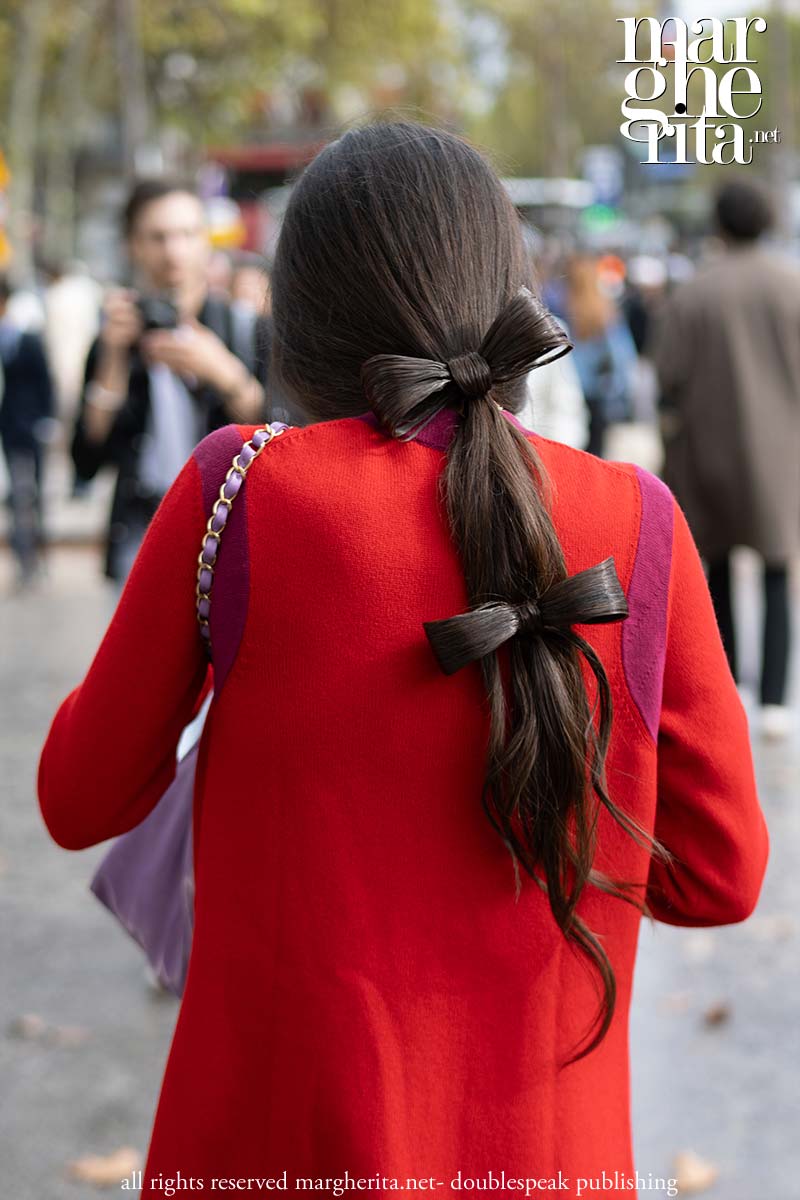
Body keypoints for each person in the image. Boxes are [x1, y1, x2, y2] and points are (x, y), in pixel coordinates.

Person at [38, 123, 768, 1197]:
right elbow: (717, 877)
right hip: (544, 1163)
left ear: (303, 314)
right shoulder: (635, 522)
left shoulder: (238, 494)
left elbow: (78, 796)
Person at [70, 179, 298, 584]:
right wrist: (112, 359)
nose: (173, 251)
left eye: (187, 234)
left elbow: (286, 441)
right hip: (143, 528)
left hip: (230, 525)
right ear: (132, 245)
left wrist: (224, 373)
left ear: (206, 241)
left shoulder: (247, 330)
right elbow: (87, 457)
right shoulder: (116, 337)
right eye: (157, 237)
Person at [652, 179, 800, 741]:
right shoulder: (792, 286)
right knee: (778, 568)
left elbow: (667, 375)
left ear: (719, 223)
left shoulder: (694, 293)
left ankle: (731, 682)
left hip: (708, 451)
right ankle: (777, 703)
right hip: (783, 453)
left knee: (714, 570)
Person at [0, 274, 56, 585]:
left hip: (26, 429)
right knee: (18, 495)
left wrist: (45, 421)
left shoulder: (26, 340)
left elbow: (44, 382)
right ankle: (25, 557)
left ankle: (34, 556)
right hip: (8, 430)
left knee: (29, 493)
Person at [562, 253, 638, 457]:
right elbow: (623, 360)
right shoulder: (606, 314)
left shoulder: (560, 312)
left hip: (569, 397)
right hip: (598, 398)